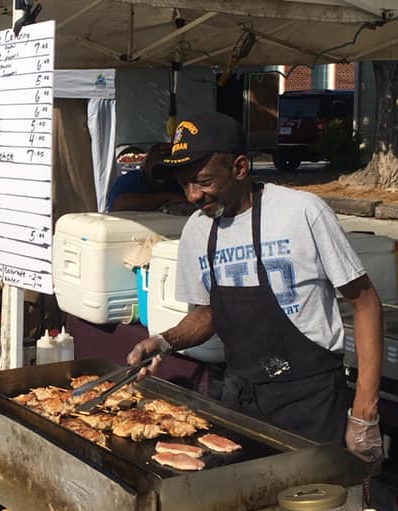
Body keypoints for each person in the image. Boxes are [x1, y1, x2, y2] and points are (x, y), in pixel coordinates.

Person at [126, 111, 383, 462]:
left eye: (202, 181)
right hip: (240, 397)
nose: (192, 196)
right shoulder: (197, 231)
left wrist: (364, 411)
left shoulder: (302, 212)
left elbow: (365, 302)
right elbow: (207, 314)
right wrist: (164, 341)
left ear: (240, 167)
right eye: (184, 185)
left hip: (311, 400)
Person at [107, 143, 188, 211]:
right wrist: (166, 197)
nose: (162, 170)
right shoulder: (133, 179)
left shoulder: (180, 181)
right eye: (157, 167)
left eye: (168, 167)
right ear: (146, 165)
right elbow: (118, 203)